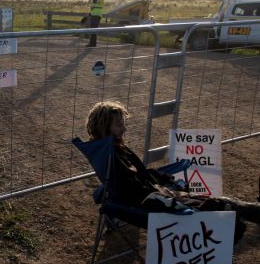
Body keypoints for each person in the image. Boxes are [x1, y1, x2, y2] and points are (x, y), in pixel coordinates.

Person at [86, 101, 260, 242]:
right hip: (155, 203)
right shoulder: (114, 155)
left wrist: (162, 180)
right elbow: (136, 189)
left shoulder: (108, 150)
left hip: (154, 195)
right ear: (104, 126)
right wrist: (172, 196)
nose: (124, 129)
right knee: (225, 208)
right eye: (119, 125)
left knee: (224, 204)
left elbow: (139, 176)